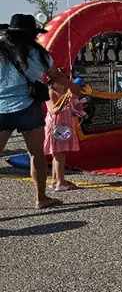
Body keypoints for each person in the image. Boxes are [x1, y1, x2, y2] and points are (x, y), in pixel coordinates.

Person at [0, 14, 84, 208]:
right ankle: (41, 198)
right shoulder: (40, 54)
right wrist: (73, 87)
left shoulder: (1, 52)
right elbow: (56, 75)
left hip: (2, 109)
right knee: (36, 154)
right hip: (29, 109)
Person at [44, 70, 88, 192]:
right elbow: (54, 110)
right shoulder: (50, 92)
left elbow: (72, 105)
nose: (65, 83)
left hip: (65, 126)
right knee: (59, 153)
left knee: (58, 154)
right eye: (62, 80)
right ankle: (60, 182)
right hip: (56, 127)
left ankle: (54, 180)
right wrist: (65, 97)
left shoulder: (66, 92)